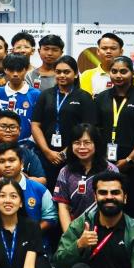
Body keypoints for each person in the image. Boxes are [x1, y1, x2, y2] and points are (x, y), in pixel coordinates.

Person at [94, 56, 134, 219]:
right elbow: (95, 130)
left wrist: (130, 160)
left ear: (132, 73)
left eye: (123, 71)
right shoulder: (101, 98)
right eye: (114, 71)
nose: (118, 75)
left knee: (133, 203)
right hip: (105, 162)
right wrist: (100, 159)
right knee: (107, 202)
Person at [31, 55, 97, 186]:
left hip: (74, 155)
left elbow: (88, 128)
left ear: (76, 74)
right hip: (46, 155)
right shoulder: (46, 94)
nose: (62, 75)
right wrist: (47, 151)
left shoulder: (84, 97)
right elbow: (35, 125)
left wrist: (64, 153)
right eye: (58, 72)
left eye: (66, 72)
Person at [0, 144, 58, 250]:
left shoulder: (39, 189)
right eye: (2, 161)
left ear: (21, 163)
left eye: (12, 160)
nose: (7, 165)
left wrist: (28, 235)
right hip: (2, 248)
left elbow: (51, 218)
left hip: (35, 247)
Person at [54, 124, 119, 231]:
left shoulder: (111, 170)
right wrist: (70, 236)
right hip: (75, 228)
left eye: (87, 143)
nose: (82, 147)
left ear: (96, 144)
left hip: (105, 229)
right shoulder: (65, 172)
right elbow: (63, 207)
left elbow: (115, 204)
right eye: (77, 143)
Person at [0, 110, 48, 189]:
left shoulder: (28, 153)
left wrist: (17, 177)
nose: (7, 130)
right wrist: (0, 173)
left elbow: (42, 181)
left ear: (19, 130)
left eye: (12, 127)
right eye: (3, 126)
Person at [0, 54, 40, 137]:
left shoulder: (36, 94)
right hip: (0, 144)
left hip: (27, 146)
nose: (15, 74)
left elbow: (38, 124)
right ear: (5, 70)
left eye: (19, 70)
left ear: (26, 70)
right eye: (11, 70)